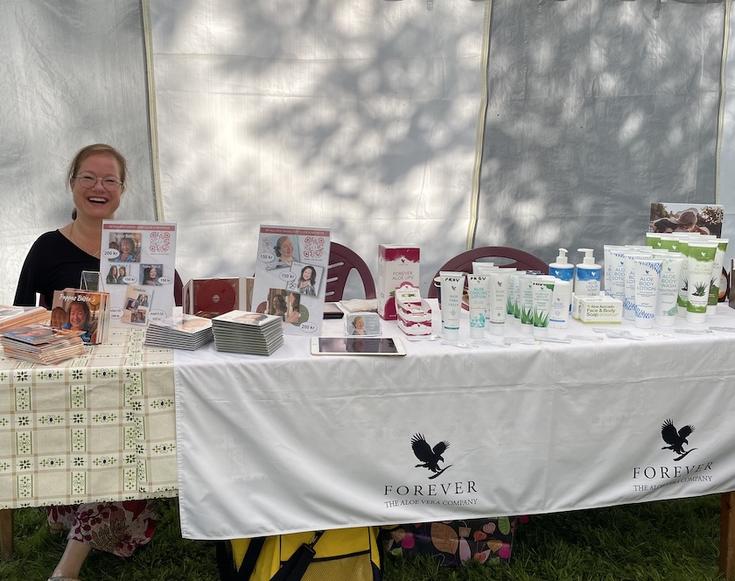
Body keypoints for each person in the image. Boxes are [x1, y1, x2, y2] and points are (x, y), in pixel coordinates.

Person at [13, 144, 157, 581]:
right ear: (72, 184)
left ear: (122, 189)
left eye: (110, 180)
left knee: (125, 434)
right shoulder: (47, 247)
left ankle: (69, 562)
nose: (99, 187)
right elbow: (21, 316)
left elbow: (164, 311)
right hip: (63, 387)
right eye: (88, 178)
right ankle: (80, 521)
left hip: (126, 380)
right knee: (113, 443)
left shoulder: (142, 247)